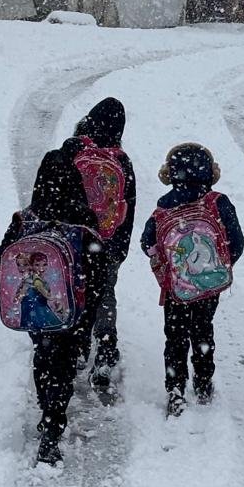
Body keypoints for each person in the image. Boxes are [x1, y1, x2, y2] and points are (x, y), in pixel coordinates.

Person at [0, 140, 100, 466]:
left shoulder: (24, 219)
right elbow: (97, 272)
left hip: (35, 311)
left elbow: (1, 260)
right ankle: (54, 424)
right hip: (70, 311)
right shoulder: (83, 222)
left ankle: (46, 408)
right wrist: (88, 313)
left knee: (44, 356)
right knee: (64, 365)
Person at [140, 143, 244, 417]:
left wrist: (170, 269)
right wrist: (220, 265)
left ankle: (176, 390)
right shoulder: (217, 202)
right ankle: (203, 383)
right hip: (209, 285)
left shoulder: (162, 210)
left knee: (175, 337)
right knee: (203, 330)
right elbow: (236, 241)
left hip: (177, 289)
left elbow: (146, 243)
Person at [69, 97, 137, 400]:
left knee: (74, 289)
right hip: (107, 242)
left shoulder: (74, 150)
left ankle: (76, 347)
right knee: (104, 292)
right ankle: (106, 349)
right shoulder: (121, 161)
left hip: (74, 239)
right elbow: (127, 208)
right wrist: (119, 248)